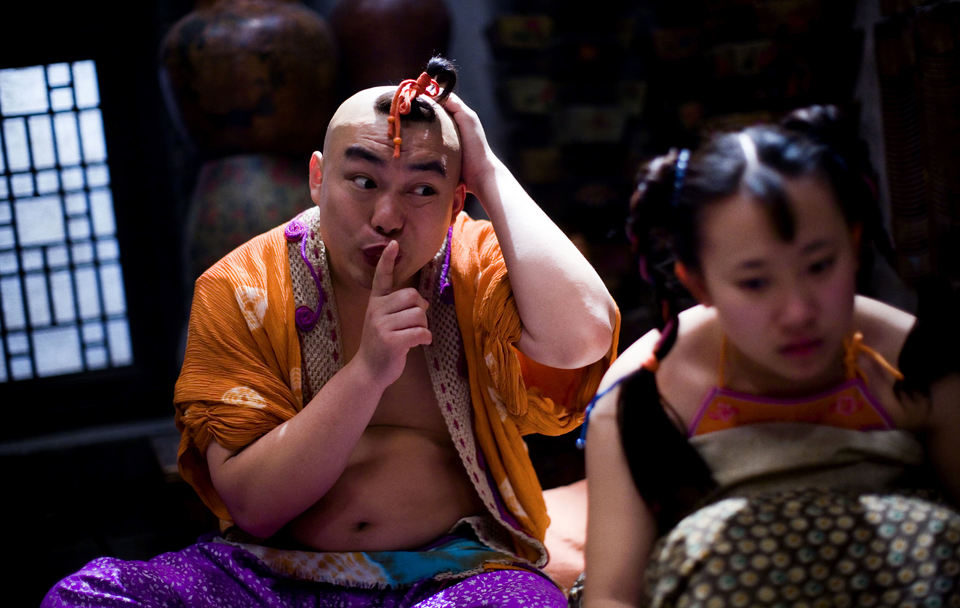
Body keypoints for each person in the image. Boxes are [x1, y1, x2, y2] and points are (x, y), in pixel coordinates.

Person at [43, 57, 619, 607]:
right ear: (318, 177)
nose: (388, 216)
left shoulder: (473, 264)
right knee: (88, 596)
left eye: (422, 190)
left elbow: (584, 339)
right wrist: (367, 373)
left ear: (455, 202)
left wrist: (489, 169)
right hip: (271, 576)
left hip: (451, 573)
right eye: (363, 181)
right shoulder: (242, 286)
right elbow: (255, 509)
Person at [580, 105, 960, 607]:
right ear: (698, 282)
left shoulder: (917, 365)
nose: (799, 312)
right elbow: (614, 596)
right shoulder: (648, 398)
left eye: (820, 265)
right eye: (756, 282)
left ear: (854, 244)